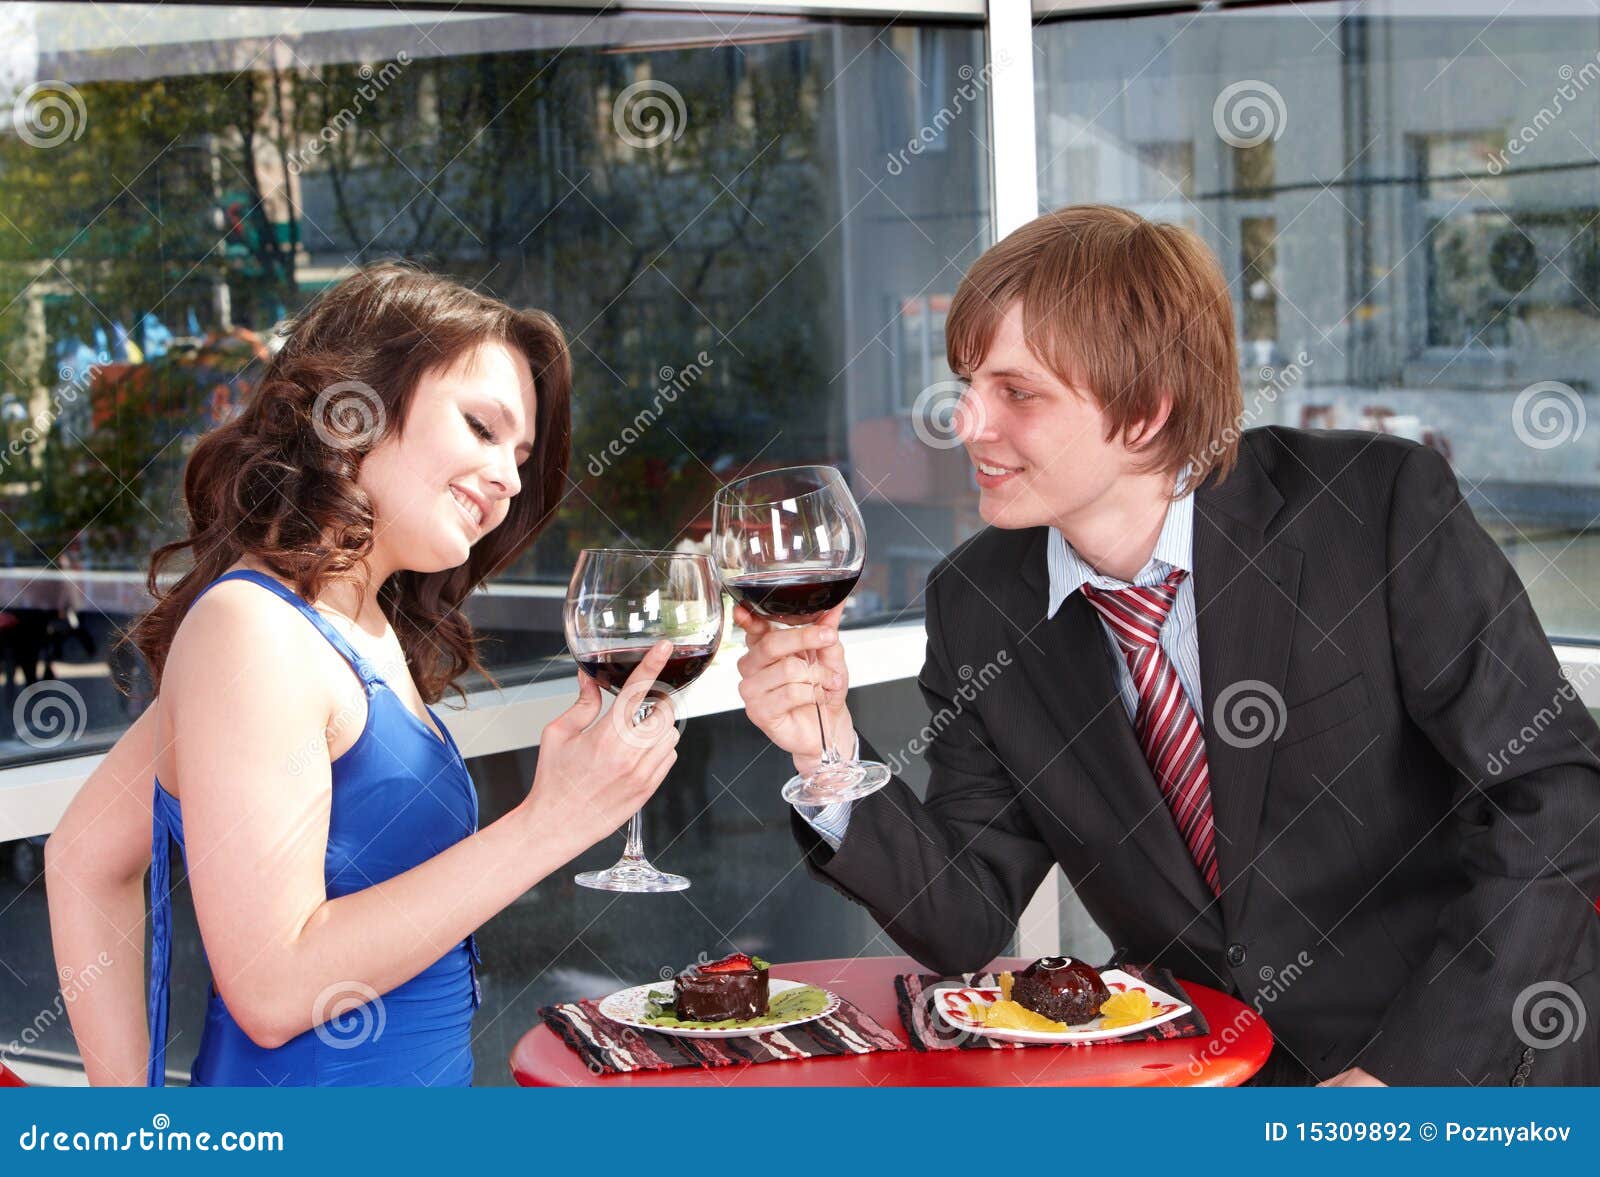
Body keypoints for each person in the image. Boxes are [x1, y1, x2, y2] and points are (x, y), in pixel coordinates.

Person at [733, 205, 1600, 1086]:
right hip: (1202, 1087)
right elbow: (964, 916)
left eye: (1017, 392)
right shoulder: (981, 602)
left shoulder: (1373, 510)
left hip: (1470, 1067)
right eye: (966, 383)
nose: (965, 424)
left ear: (1147, 412)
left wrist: (1399, 1086)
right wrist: (827, 745)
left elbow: (1555, 796)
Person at [46, 263, 681, 1086]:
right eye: (483, 429)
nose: (511, 479)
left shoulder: (341, 626)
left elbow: (82, 854)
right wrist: (550, 823)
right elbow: (272, 988)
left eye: (521, 456)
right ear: (357, 408)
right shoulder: (251, 628)